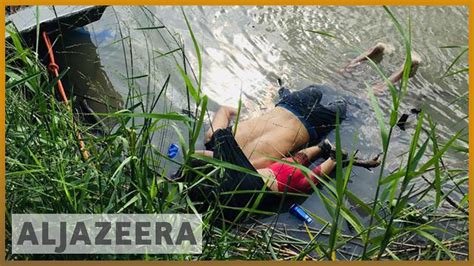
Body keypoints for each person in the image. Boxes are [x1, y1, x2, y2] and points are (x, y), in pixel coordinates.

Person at [181, 43, 421, 222]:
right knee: (334, 79)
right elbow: (226, 109)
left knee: (362, 98)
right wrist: (257, 114)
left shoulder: (249, 170)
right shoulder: (215, 137)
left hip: (310, 125)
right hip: (289, 105)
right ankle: (373, 52)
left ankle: (404, 71)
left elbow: (287, 162)